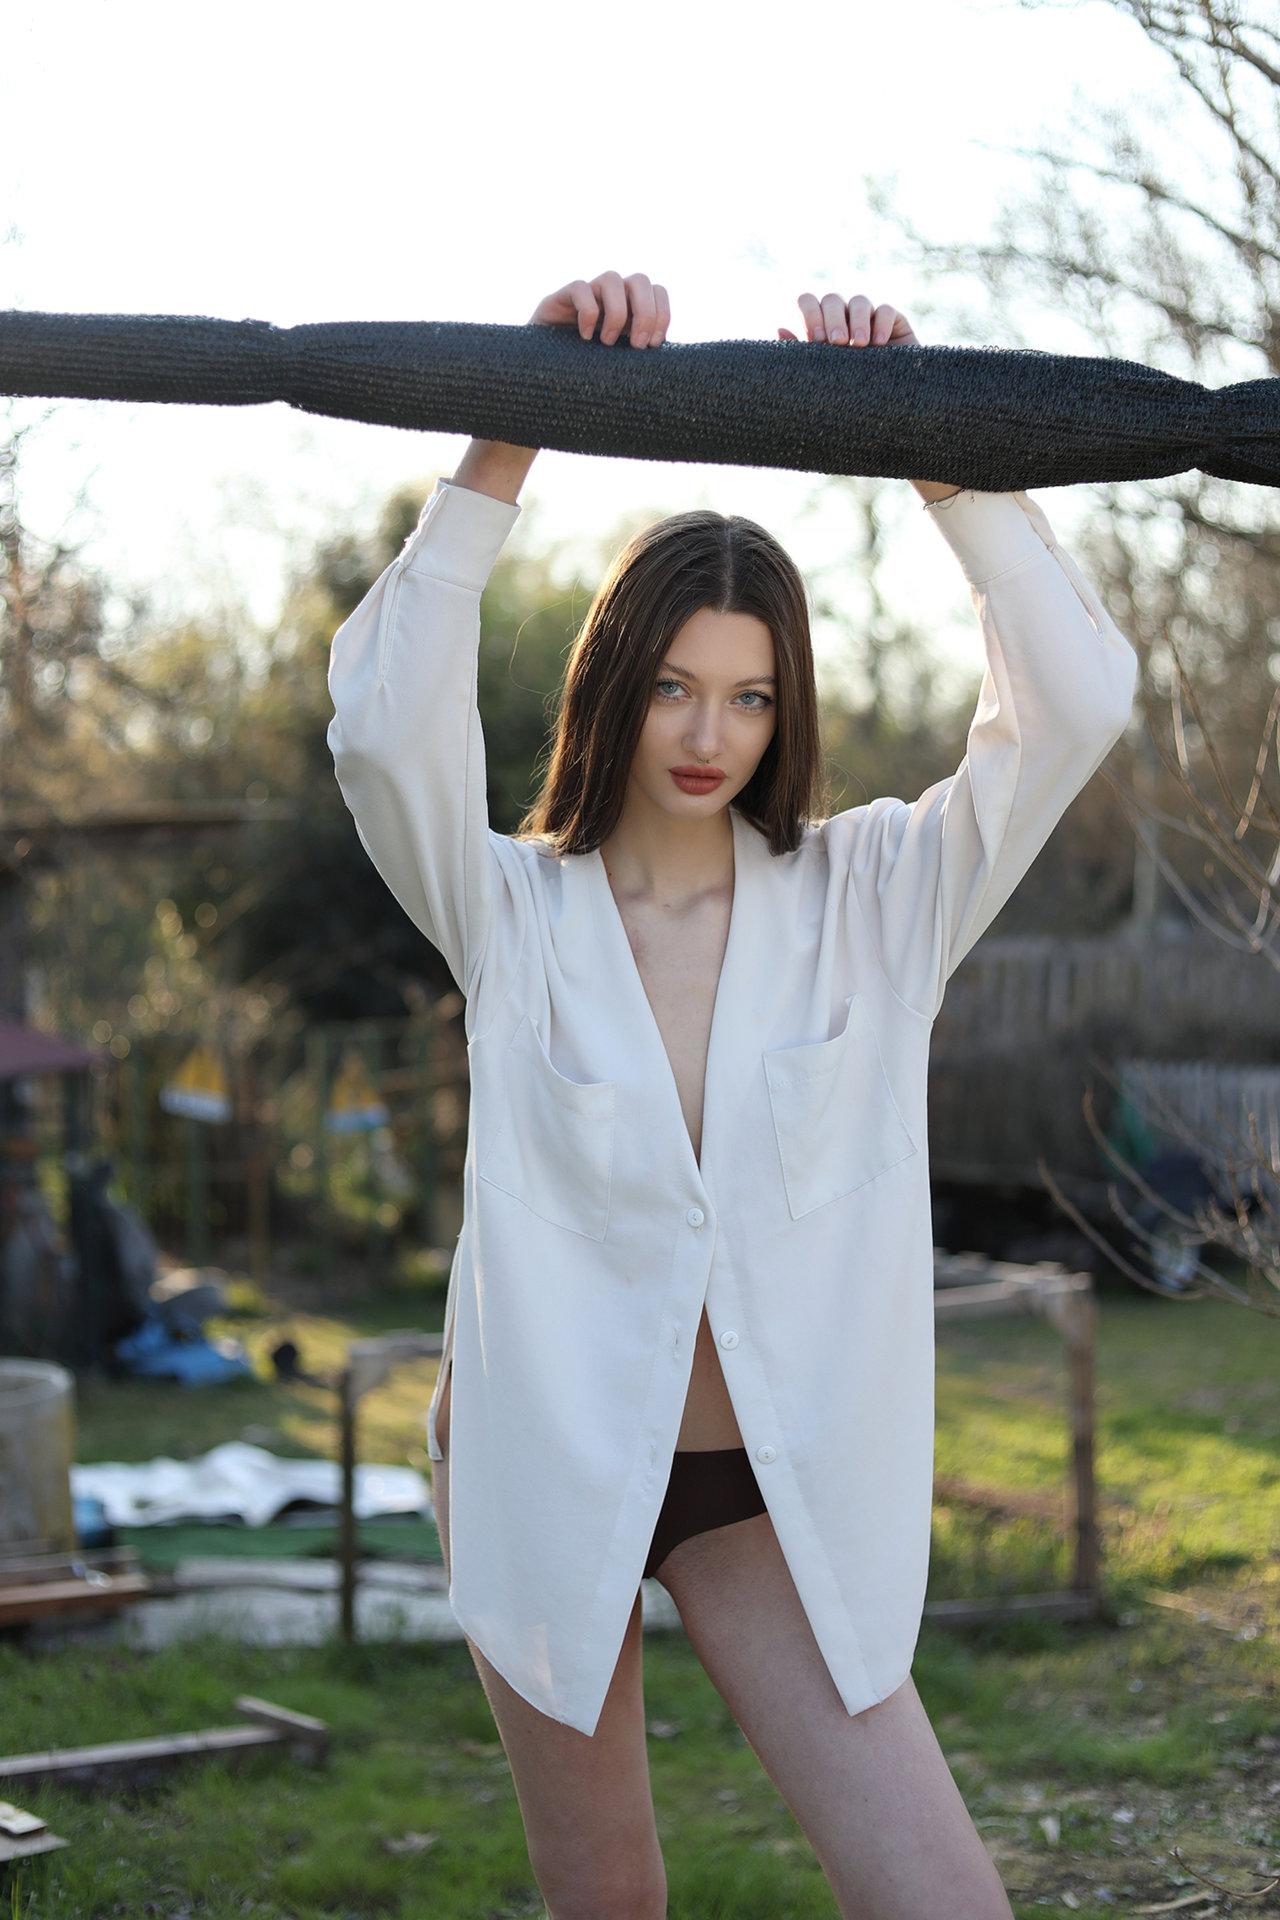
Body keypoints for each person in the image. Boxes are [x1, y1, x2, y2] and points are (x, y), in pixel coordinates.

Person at [327, 271, 1139, 1920]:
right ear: (613, 682)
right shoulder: (511, 912)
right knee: (610, 1901)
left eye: (753, 693)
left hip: (771, 1478)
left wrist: (934, 446)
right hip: (541, 1456)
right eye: (677, 686)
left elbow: (1078, 701)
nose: (712, 733)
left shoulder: (881, 898)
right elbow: (381, 731)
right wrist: (512, 421)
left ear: (791, 706)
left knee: (944, 1902)